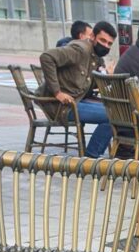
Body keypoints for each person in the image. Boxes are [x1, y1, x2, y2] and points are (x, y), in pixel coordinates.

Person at [37, 21, 117, 158]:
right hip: (61, 106)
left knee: (119, 111)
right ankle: (90, 158)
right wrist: (57, 92)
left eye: (109, 44)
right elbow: (47, 57)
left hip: (77, 100)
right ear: (92, 36)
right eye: (102, 40)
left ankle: (115, 152)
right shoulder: (80, 49)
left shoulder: (94, 55)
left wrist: (107, 77)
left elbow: (86, 83)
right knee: (114, 116)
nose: (105, 46)